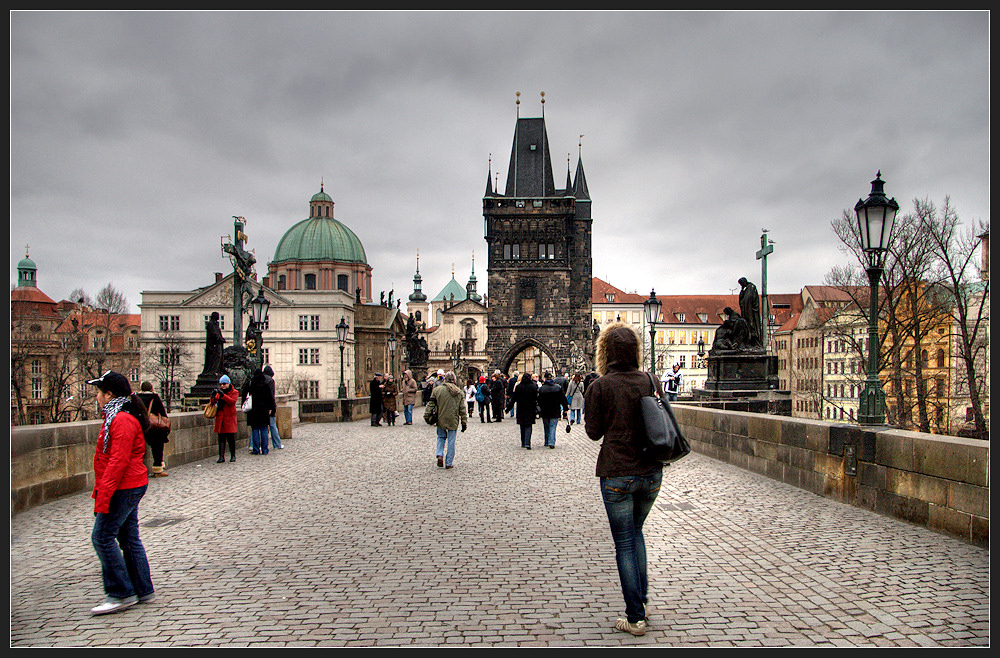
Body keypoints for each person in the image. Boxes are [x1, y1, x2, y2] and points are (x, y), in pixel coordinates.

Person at [585, 322, 665, 637]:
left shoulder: (600, 386)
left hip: (618, 474)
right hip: (651, 473)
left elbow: (593, 433)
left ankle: (634, 617)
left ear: (604, 352)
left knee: (625, 543)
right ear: (635, 351)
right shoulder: (651, 380)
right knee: (637, 534)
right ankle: (641, 605)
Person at [85, 370, 155, 615]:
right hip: (129, 482)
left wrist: (103, 495)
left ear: (109, 395)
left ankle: (121, 592)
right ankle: (142, 589)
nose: (96, 396)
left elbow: (118, 460)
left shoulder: (121, 419)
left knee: (102, 537)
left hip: (124, 485)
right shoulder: (118, 415)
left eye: (98, 392)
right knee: (128, 537)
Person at [424, 371, 467, 469]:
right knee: (451, 441)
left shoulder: (437, 390)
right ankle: (449, 463)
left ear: (445, 379)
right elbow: (462, 409)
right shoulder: (459, 392)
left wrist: (427, 416)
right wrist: (464, 422)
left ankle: (439, 454)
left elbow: (431, 404)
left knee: (441, 437)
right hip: (453, 419)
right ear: (454, 380)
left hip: (440, 418)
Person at [136, 381, 170, 478]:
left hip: (140, 426)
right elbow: (162, 412)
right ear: (151, 388)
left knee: (138, 449)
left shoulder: (137, 398)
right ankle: (157, 469)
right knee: (157, 447)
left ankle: (138, 470)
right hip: (153, 427)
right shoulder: (154, 397)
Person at [210, 375, 239, 463]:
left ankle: (233, 455)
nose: (222, 386)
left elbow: (232, 402)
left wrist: (223, 396)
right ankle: (221, 456)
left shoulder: (235, 392)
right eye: (221, 384)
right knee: (221, 439)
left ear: (228, 384)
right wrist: (213, 396)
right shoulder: (219, 392)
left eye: (224, 384)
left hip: (229, 418)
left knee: (231, 439)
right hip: (221, 418)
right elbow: (213, 402)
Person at [506, 372, 538, 449]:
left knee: (522, 426)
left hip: (521, 408)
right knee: (528, 426)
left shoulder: (519, 387)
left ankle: (523, 442)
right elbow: (536, 398)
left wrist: (508, 408)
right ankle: (527, 442)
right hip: (530, 408)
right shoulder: (533, 387)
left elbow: (513, 399)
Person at [537, 372, 568, 448]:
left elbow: (538, 401)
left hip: (545, 410)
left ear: (545, 379)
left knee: (546, 426)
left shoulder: (541, 389)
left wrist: (539, 409)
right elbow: (563, 399)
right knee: (553, 426)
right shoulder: (558, 387)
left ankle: (547, 441)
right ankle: (551, 442)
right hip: (555, 410)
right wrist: (565, 408)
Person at [262, 365, 283, 449]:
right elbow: (271, 395)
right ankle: (277, 444)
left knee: (259, 428)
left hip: (260, 406)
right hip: (268, 406)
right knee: (272, 426)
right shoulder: (270, 381)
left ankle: (253, 445)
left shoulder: (259, 379)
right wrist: (272, 407)